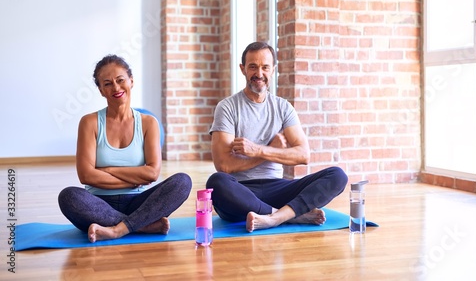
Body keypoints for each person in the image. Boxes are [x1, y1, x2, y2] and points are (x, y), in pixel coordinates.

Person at [207, 41, 348, 232]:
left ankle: (274, 218)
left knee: (337, 175)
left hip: (278, 188)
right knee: (217, 182)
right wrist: (269, 151)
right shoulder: (227, 107)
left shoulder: (283, 107)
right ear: (242, 69)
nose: (259, 74)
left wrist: (259, 150)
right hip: (241, 191)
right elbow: (224, 165)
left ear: (273, 69)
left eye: (265, 67)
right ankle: (287, 216)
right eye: (253, 67)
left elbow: (303, 155)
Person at [58, 54, 192, 243]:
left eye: (120, 80)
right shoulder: (90, 122)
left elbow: (152, 173)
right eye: (107, 83)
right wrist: (133, 179)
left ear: (131, 81)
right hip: (98, 204)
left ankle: (116, 229)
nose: (116, 87)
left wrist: (109, 170)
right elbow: (86, 176)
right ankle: (141, 225)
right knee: (68, 197)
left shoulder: (148, 123)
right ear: (101, 90)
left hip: (139, 203)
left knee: (182, 182)